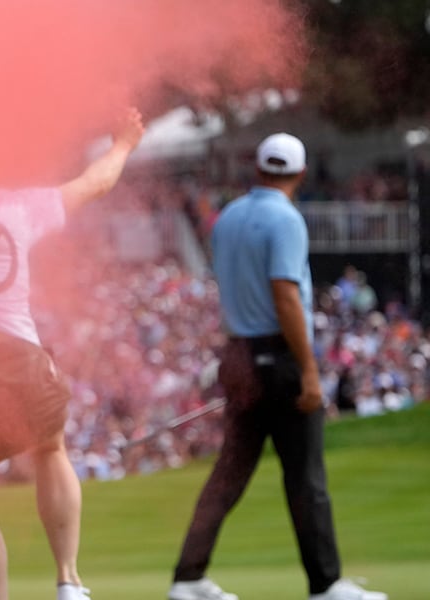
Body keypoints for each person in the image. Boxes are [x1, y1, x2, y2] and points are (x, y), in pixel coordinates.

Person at [0, 108, 144, 600]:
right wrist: (124, 144)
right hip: (16, 353)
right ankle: (68, 579)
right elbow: (94, 183)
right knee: (50, 449)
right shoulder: (14, 206)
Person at [167, 133, 386, 600]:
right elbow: (285, 295)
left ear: (258, 169)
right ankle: (325, 584)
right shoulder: (285, 218)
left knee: (230, 471)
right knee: (305, 474)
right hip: (279, 355)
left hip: (239, 356)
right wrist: (308, 370)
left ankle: (188, 577)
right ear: (300, 173)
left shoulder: (226, 218)